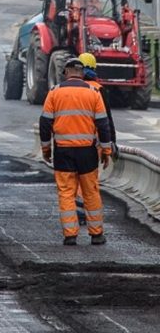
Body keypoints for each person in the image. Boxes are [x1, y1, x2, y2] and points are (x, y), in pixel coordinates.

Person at [39, 57, 112, 246]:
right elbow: (103, 125)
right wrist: (106, 150)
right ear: (82, 73)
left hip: (63, 152)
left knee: (66, 192)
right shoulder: (93, 93)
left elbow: (45, 123)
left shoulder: (54, 93)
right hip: (87, 152)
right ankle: (96, 234)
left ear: (65, 73)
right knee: (91, 191)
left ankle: (70, 235)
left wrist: (46, 148)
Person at [75, 52, 118, 225]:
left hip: (68, 143)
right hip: (92, 144)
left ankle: (77, 213)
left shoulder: (69, 89)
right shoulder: (98, 90)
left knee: (72, 182)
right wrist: (111, 144)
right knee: (90, 182)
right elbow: (106, 120)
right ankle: (89, 216)